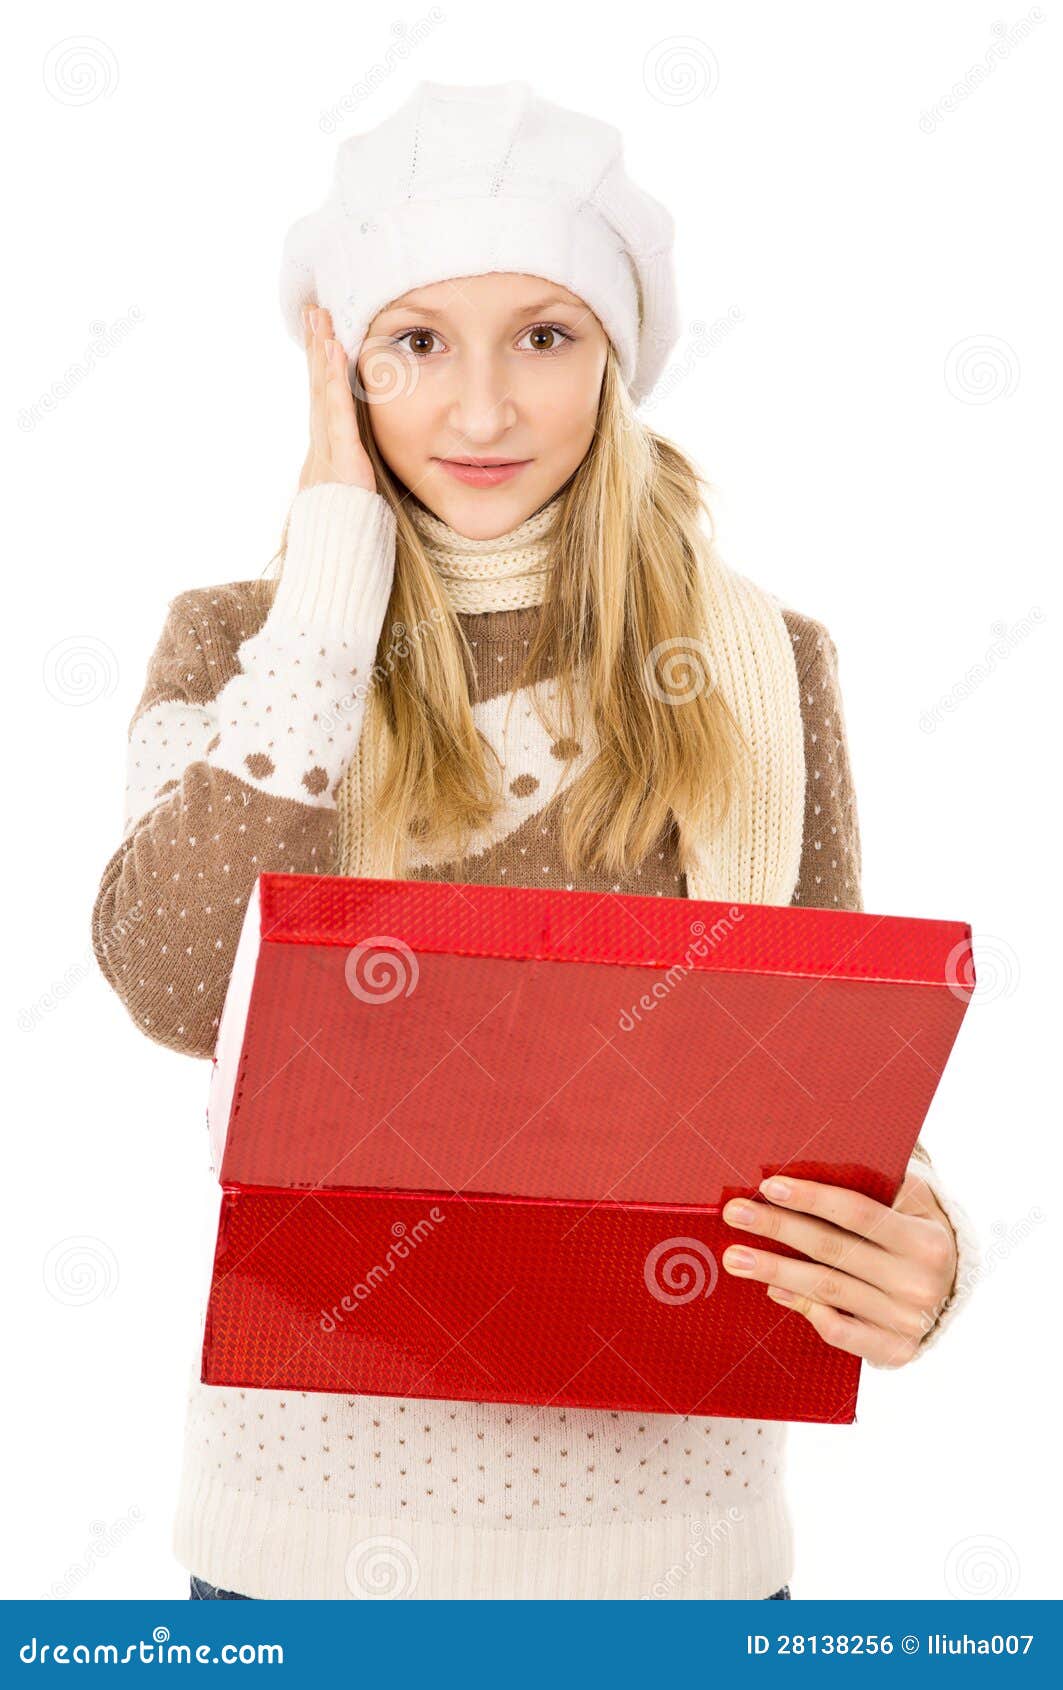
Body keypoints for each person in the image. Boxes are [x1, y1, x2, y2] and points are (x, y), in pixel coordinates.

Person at [91, 80, 978, 1601]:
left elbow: (810, 1079)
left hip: (676, 1578)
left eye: (546, 336)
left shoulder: (768, 663)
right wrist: (329, 575)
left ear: (617, 365)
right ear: (340, 368)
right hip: (295, 1573)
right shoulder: (246, 645)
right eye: (417, 341)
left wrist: (912, 1248)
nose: (484, 409)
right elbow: (177, 981)